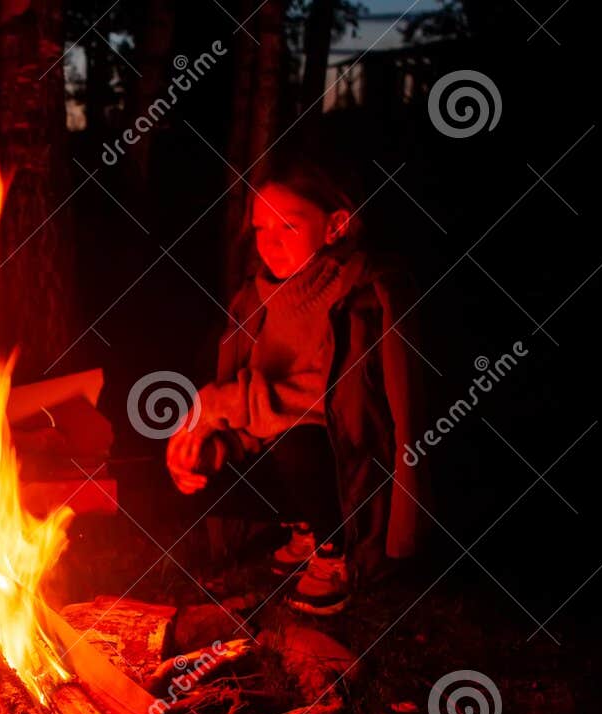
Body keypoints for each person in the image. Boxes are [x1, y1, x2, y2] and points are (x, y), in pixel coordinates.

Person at [165, 156, 431, 615]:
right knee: (201, 449)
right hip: (288, 453)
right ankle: (304, 527)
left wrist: (214, 404)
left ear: (335, 225)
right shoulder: (256, 301)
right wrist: (213, 445)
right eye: (261, 230)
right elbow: (256, 411)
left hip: (354, 464)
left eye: (287, 227)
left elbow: (327, 402)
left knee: (299, 443)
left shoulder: (363, 297)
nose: (270, 245)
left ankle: (336, 550)